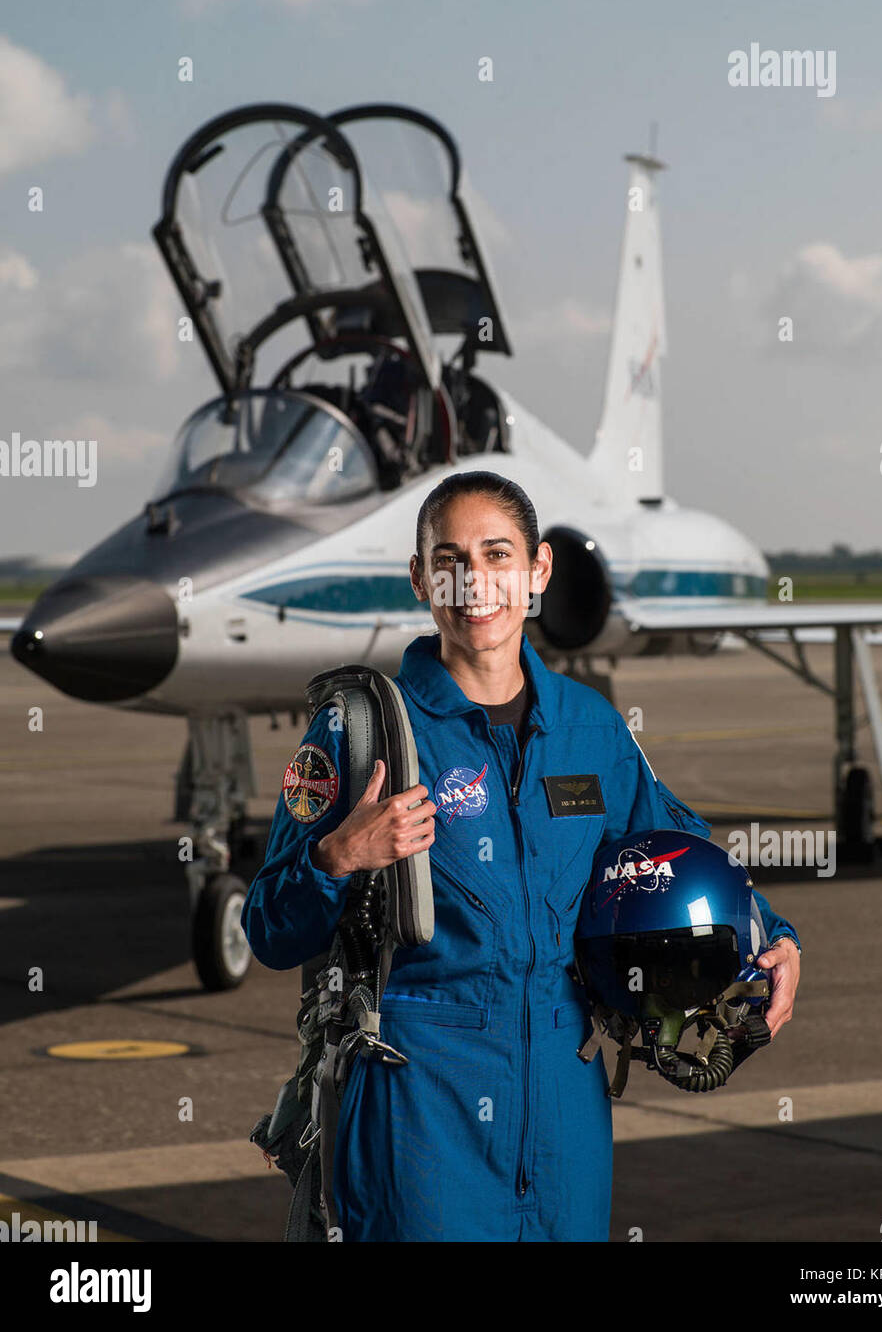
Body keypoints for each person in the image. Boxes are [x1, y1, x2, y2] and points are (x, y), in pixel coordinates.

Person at [241, 470, 801, 1242]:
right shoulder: (361, 732)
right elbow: (269, 929)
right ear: (419, 578)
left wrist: (775, 935)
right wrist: (337, 857)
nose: (475, 582)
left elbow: (676, 847)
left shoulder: (588, 727)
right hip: (419, 1100)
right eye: (451, 559)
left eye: (497, 555)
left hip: (565, 1098)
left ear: (536, 571)